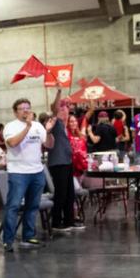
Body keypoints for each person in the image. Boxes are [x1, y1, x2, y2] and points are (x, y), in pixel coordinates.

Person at [2, 99, 54, 252]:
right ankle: (8, 240)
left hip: (37, 171)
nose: (25, 111)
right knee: (13, 206)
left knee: (32, 206)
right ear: (15, 111)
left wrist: (49, 132)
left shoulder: (38, 126)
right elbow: (12, 143)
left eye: (28, 108)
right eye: (22, 108)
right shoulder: (10, 127)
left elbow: (49, 145)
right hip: (18, 173)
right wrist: (28, 126)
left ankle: (28, 236)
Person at [47, 91, 82, 232]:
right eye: (62, 109)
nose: (64, 111)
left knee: (69, 193)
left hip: (66, 162)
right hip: (58, 163)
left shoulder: (65, 126)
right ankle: (56, 222)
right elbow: (54, 108)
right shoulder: (54, 123)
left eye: (66, 108)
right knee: (61, 193)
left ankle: (69, 220)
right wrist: (59, 92)